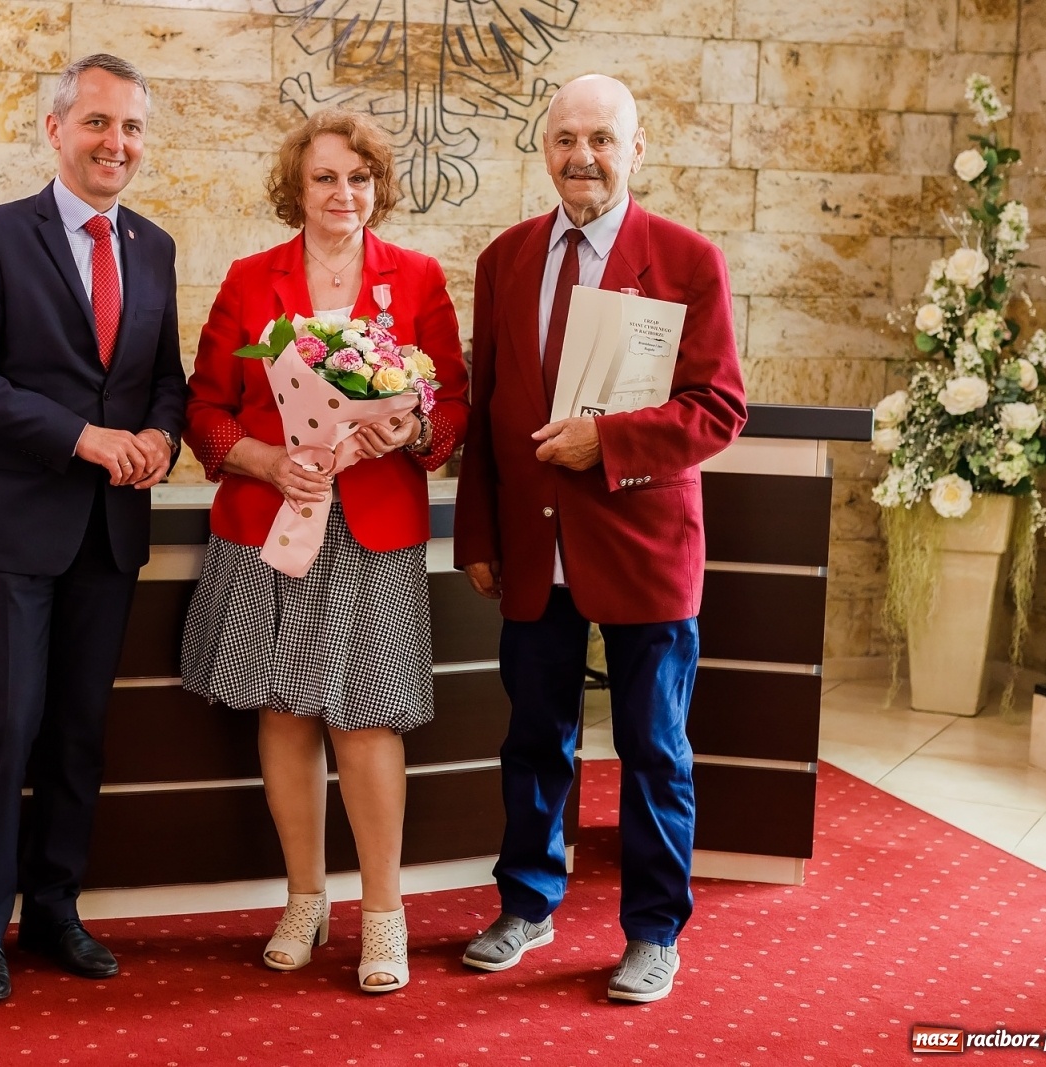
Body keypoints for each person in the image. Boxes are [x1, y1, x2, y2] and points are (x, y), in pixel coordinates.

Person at [452, 74, 747, 1003]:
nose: (582, 156)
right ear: (545, 149)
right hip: (533, 549)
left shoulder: (688, 260)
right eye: (565, 138)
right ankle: (527, 903)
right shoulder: (504, 259)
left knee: (654, 749)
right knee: (534, 738)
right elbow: (488, 409)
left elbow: (718, 407)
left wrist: (607, 442)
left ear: (637, 149)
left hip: (643, 545)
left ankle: (655, 930)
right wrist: (477, 533)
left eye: (602, 139)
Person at [181, 108, 469, 994]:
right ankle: (305, 899)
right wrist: (266, 460)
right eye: (325, 178)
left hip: (373, 526)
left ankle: (384, 913)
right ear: (296, 189)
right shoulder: (249, 279)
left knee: (367, 716)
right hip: (273, 519)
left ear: (377, 186)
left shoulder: (416, 277)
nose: (343, 193)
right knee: (283, 711)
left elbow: (452, 405)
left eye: (359, 177)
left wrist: (409, 428)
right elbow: (204, 408)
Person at [0, 52, 188, 1004]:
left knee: (79, 732)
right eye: (98, 122)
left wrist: (160, 434)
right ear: (56, 130)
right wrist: (82, 437)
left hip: (108, 534)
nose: (117, 143)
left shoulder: (153, 247)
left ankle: (55, 910)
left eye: (132, 127)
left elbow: (165, 377)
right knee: (6, 728)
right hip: (10, 529)